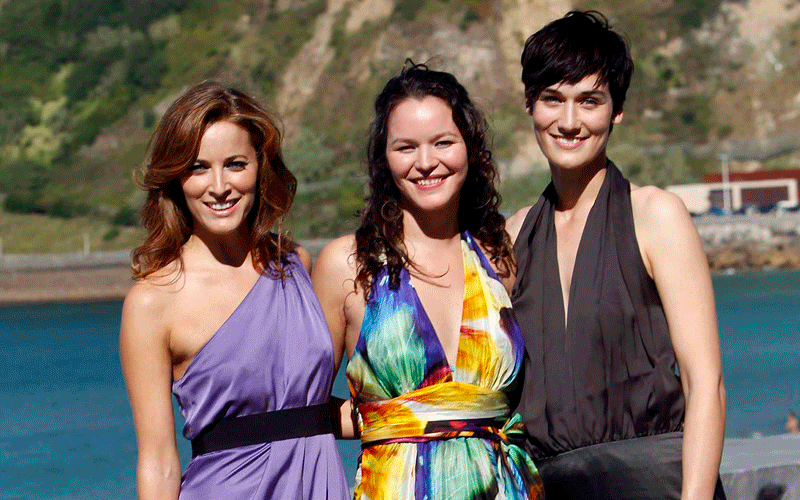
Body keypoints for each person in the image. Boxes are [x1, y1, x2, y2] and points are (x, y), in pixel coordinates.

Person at [506, 11, 727, 500]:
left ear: (616, 111)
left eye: (589, 101)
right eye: (552, 99)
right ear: (529, 105)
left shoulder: (656, 215)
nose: (569, 121)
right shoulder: (513, 236)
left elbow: (704, 381)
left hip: (658, 485)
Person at [313, 63, 544, 499]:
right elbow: (301, 406)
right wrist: (392, 418)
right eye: (406, 147)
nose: (426, 162)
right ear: (384, 157)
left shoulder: (500, 258)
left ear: (470, 149)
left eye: (443, 142)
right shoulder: (347, 265)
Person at [119, 81, 350, 500]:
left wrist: (439, 415)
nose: (219, 185)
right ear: (176, 179)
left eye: (236, 164)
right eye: (198, 167)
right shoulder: (152, 302)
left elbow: (306, 411)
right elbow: (158, 462)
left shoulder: (295, 264)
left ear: (260, 168)